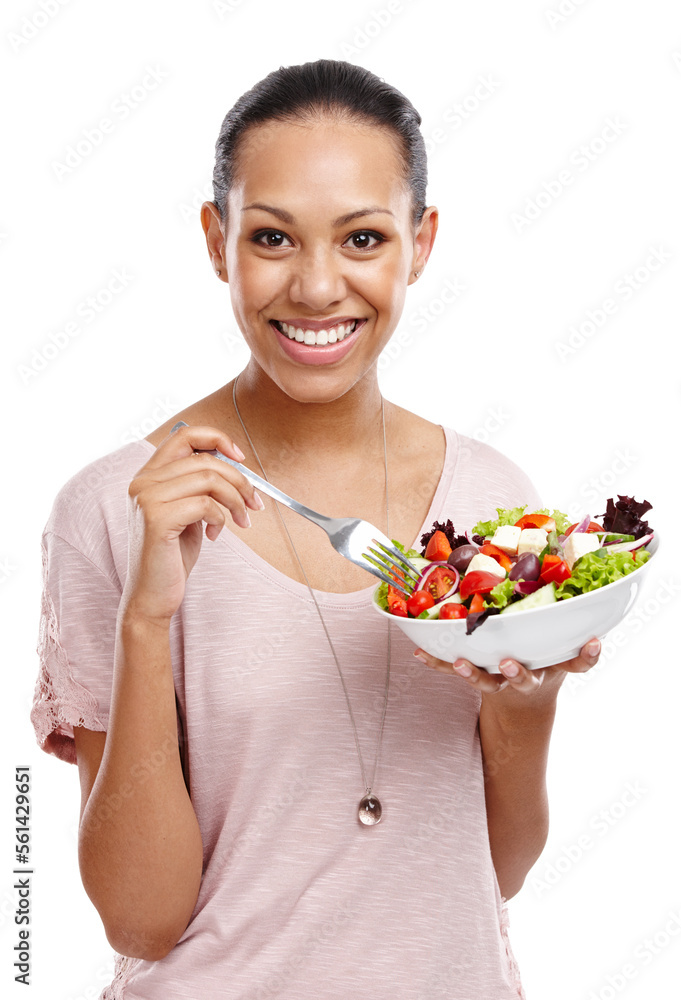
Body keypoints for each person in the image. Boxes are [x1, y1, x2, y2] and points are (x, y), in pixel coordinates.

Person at [31, 59, 601, 998]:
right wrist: (146, 620)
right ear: (218, 242)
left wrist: (524, 698)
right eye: (272, 238)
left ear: (420, 244)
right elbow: (140, 918)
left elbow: (496, 868)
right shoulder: (113, 506)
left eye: (364, 238)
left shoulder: (491, 504)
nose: (317, 285)